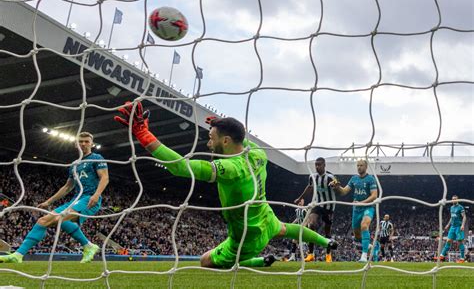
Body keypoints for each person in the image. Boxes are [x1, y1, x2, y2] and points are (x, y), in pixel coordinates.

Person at [113, 102, 337, 268]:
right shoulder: (258, 153)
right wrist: (221, 125)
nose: (208, 141)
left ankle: (252, 261)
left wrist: (142, 133)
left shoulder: (229, 169)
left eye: (212, 137)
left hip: (246, 234)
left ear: (226, 141)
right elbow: (240, 136)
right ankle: (326, 241)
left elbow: (179, 167)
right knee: (287, 229)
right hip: (264, 215)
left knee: (205, 261)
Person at [0, 132, 108, 264]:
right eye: (81, 141)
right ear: (76, 144)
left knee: (59, 218)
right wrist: (48, 202)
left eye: (86, 141)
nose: (83, 144)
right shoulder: (74, 164)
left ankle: (88, 246)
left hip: (89, 198)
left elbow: (104, 177)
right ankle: (17, 255)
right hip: (75, 199)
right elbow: (67, 187)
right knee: (42, 220)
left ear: (92, 143)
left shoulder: (96, 158)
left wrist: (96, 195)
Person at [330, 159, 378, 263]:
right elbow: (343, 192)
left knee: (364, 225)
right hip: (356, 209)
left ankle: (364, 256)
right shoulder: (354, 178)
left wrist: (362, 202)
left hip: (368, 207)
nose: (359, 167)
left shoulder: (371, 179)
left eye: (361, 165)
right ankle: (369, 245)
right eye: (358, 165)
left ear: (366, 167)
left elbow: (374, 195)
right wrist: (336, 187)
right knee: (357, 235)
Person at [294, 157, 339, 262]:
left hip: (329, 206)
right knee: (312, 225)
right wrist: (300, 198)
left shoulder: (330, 177)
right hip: (317, 204)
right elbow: (309, 187)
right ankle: (310, 254)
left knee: (327, 232)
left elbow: (337, 184)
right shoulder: (312, 177)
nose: (317, 167)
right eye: (316, 165)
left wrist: (334, 184)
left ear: (324, 165)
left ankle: (328, 254)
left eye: (319, 165)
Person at [438, 195, 467, 263]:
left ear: (457, 200)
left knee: (460, 242)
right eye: (452, 199)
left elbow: (464, 217)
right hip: (452, 227)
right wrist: (448, 225)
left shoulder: (460, 207)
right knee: (448, 240)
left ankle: (462, 259)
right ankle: (442, 255)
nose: (453, 200)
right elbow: (452, 217)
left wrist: (462, 225)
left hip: (458, 227)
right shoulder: (451, 207)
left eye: (455, 199)